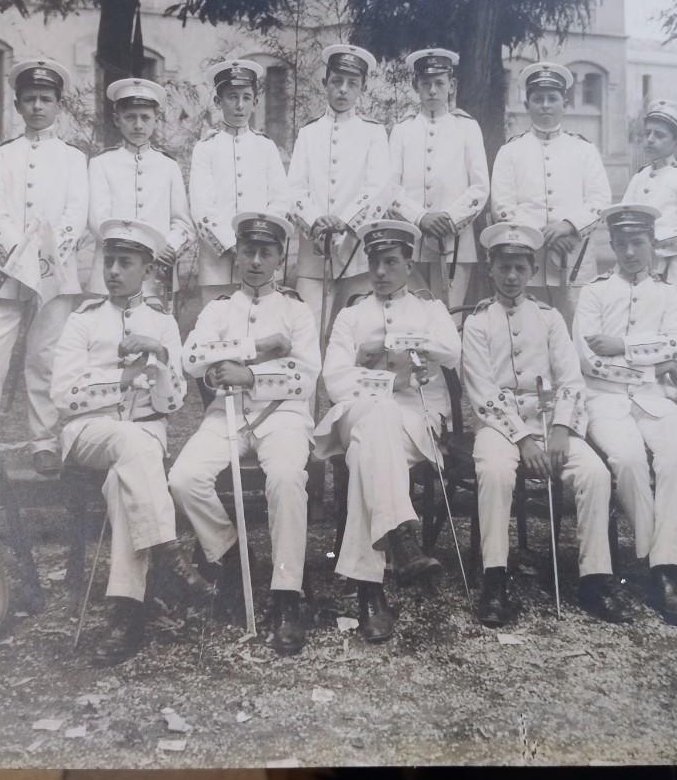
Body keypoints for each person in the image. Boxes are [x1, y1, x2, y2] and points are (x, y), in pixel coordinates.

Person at [460, 223, 629, 627]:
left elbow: (571, 381)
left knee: (594, 473)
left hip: (550, 423)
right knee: (495, 472)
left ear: (533, 270)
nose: (512, 276)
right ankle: (495, 579)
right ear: (490, 269)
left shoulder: (550, 319)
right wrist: (522, 440)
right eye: (504, 267)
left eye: (520, 267)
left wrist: (561, 430)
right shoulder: (478, 323)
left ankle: (594, 579)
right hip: (499, 427)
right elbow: (482, 393)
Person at [167, 212, 318, 655]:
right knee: (183, 479)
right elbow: (191, 359)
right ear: (237, 256)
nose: (255, 261)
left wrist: (248, 375)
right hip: (226, 416)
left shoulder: (296, 310)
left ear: (279, 258)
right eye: (248, 252)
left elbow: (305, 378)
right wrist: (255, 349)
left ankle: (287, 595)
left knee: (286, 478)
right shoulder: (218, 309)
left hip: (282, 416)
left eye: (265, 253)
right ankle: (235, 559)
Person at [50, 218, 197, 666]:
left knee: (122, 482)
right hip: (88, 432)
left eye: (125, 263)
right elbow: (64, 395)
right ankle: (168, 552)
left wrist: (160, 354)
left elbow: (173, 403)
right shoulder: (82, 320)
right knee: (130, 441)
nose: (113, 271)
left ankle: (126, 612)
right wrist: (124, 378)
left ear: (147, 269)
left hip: (145, 435)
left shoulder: (163, 323)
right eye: (109, 261)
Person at [313, 220, 459, 642]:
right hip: (357, 411)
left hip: (416, 419)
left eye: (391, 262)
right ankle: (399, 537)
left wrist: (400, 345)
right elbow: (335, 381)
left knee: (368, 450)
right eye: (374, 262)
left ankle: (370, 592)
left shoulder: (430, 310)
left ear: (409, 265)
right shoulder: (351, 315)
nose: (380, 272)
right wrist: (386, 374)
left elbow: (452, 352)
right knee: (377, 416)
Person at [0, 58, 88, 476]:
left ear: (59, 104)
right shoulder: (5, 155)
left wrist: (47, 254)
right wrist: (21, 252)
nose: (37, 106)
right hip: (12, 268)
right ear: (17, 105)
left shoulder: (72, 158)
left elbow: (76, 213)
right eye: (29, 99)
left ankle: (44, 441)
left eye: (45, 99)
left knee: (46, 356)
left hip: (56, 271)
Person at [575, 204, 677, 625]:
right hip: (604, 399)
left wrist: (623, 347)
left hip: (655, 397)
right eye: (622, 244)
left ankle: (664, 567)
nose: (630, 252)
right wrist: (651, 360)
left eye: (638, 243)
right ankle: (660, 566)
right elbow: (589, 359)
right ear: (612, 245)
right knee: (626, 460)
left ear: (652, 244)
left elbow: (674, 343)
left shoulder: (666, 294)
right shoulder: (594, 292)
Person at [489, 62, 612, 324]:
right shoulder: (510, 151)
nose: (545, 105)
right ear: (527, 105)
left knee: (575, 326)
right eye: (538, 99)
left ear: (564, 104)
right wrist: (543, 236)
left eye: (552, 98)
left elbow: (599, 200)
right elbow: (502, 206)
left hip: (574, 254)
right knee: (527, 325)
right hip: (525, 258)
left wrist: (568, 226)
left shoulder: (584, 150)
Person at [285, 44, 391, 334]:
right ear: (325, 83)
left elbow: (379, 187)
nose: (343, 89)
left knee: (354, 334)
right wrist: (316, 223)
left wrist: (344, 222)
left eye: (352, 83)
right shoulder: (308, 133)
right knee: (307, 333)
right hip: (313, 254)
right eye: (336, 81)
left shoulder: (373, 133)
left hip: (356, 254)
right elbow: (294, 189)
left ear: (363, 88)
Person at [387, 48, 489, 307]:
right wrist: (421, 217)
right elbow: (389, 187)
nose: (432, 90)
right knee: (411, 314)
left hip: (455, 243)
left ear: (451, 85)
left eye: (439, 83)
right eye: (425, 83)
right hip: (412, 241)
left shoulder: (467, 127)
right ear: (416, 86)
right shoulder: (402, 130)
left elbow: (480, 187)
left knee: (449, 316)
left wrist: (449, 219)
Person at [189, 59, 291, 305]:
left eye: (246, 98)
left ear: (255, 102)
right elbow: (202, 208)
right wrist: (231, 245)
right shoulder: (205, 148)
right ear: (218, 101)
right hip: (217, 262)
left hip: (259, 256)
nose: (239, 105)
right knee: (216, 323)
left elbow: (280, 200)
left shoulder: (266, 147)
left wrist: (257, 241)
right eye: (232, 97)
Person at [87, 77, 194, 300]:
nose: (138, 125)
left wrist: (168, 247)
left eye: (145, 117)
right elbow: (99, 221)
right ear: (117, 120)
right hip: (112, 270)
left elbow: (181, 222)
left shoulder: (168, 165)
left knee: (155, 321)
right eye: (130, 117)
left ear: (156, 120)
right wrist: (146, 247)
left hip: (156, 272)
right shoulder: (101, 164)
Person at [620, 99, 677, 323]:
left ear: (676, 143)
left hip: (675, 270)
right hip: (639, 268)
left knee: (673, 331)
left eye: (659, 135)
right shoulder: (639, 177)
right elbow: (624, 216)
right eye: (647, 133)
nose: (650, 139)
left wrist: (658, 242)